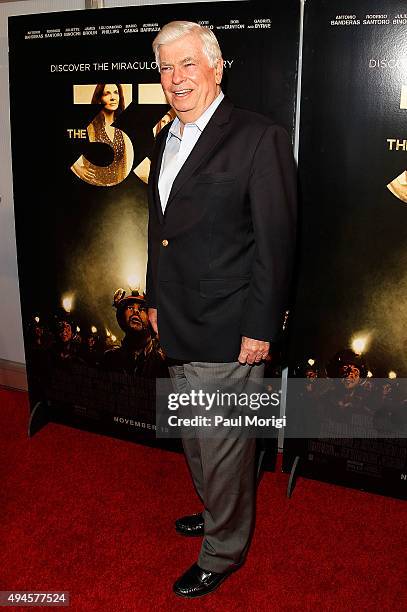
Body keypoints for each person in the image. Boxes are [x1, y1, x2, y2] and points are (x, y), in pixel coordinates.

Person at [146, 21, 297, 598]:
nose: (176, 78)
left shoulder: (259, 137)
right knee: (195, 435)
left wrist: (260, 328)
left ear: (216, 67)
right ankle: (216, 514)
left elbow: (276, 243)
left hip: (231, 326)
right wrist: (155, 300)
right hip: (177, 318)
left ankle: (224, 549)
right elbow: (160, 231)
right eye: (165, 68)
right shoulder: (166, 136)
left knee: (225, 444)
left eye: (187, 64)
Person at [71, 83, 133, 186]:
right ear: (99, 99)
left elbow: (123, 162)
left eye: (116, 92)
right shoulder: (89, 126)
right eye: (107, 94)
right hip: (94, 188)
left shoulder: (122, 126)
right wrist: (77, 169)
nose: (113, 97)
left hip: (116, 191)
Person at [101, 288, 167, 378]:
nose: (135, 311)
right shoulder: (111, 358)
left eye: (142, 309)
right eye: (130, 307)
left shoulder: (164, 362)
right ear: (123, 316)